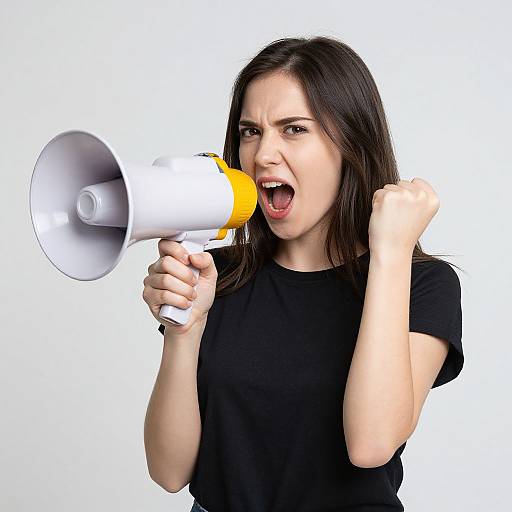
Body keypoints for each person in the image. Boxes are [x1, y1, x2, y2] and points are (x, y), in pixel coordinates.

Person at [142, 36, 464, 512]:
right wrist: (183, 332)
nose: (263, 154)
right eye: (250, 131)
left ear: (350, 143)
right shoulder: (219, 276)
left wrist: (390, 254)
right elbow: (169, 473)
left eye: (293, 129)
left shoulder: (420, 284)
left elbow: (371, 444)